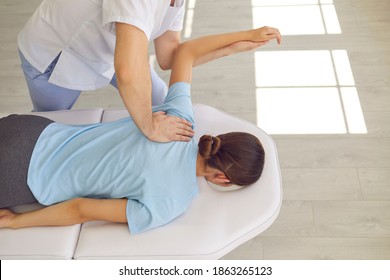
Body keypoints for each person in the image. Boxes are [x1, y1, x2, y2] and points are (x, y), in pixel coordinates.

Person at [1, 26, 282, 233]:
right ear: (222, 179)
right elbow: (81, 209)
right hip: (18, 176)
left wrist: (246, 36)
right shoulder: (170, 202)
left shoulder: (180, 120)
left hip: (31, 129)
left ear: (220, 139)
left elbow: (186, 52)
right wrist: (16, 221)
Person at [18, 0, 271, 143]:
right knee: (49, 125)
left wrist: (237, 44)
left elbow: (170, 55)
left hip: (114, 46)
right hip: (58, 53)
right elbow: (127, 70)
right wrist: (150, 126)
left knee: (163, 102)